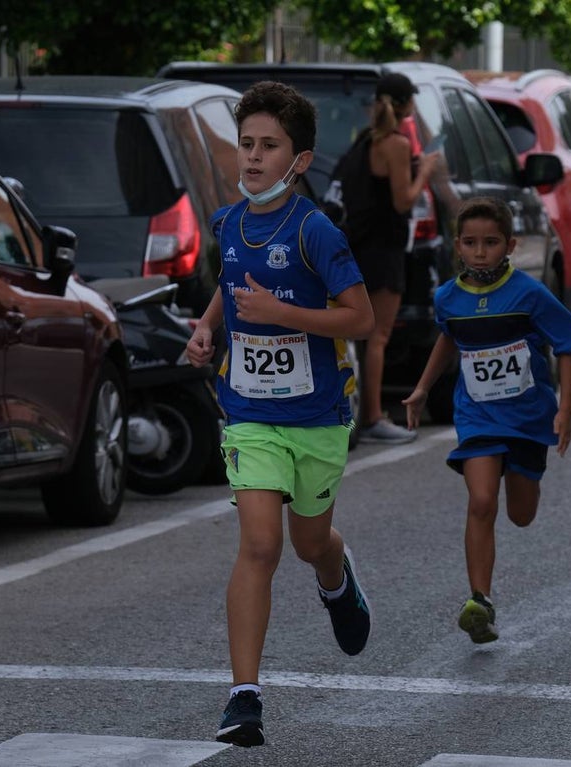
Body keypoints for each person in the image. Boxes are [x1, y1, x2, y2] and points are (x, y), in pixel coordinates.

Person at [185, 80, 376, 748]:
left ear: (299, 159)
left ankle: (336, 576)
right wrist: (210, 326)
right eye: (246, 144)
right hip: (249, 413)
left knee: (308, 541)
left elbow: (361, 316)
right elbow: (232, 286)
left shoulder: (315, 232)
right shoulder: (230, 223)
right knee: (260, 542)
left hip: (319, 416)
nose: (254, 158)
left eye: (270, 146)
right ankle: (245, 696)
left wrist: (284, 315)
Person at [402, 197, 571, 644]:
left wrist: (565, 409)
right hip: (478, 415)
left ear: (510, 245)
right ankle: (479, 601)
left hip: (526, 417)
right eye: (470, 243)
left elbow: (567, 345)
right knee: (481, 501)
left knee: (520, 515)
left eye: (490, 242)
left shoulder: (529, 293)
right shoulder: (448, 297)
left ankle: (524, 477)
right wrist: (423, 388)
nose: (479, 251)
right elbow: (450, 338)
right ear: (458, 247)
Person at [346, 72, 439, 445]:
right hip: (384, 249)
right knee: (378, 336)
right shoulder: (396, 144)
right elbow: (403, 200)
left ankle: (363, 413)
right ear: (406, 105)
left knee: (362, 336)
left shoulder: (366, 140)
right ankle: (372, 417)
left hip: (359, 245)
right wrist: (426, 172)